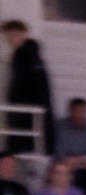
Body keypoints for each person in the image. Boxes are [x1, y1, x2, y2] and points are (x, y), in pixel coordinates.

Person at [3, 20, 53, 153]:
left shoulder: (25, 56)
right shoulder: (32, 56)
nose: (11, 39)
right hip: (30, 116)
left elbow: (22, 88)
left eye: (15, 34)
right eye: (9, 35)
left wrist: (15, 116)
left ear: (24, 34)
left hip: (27, 117)